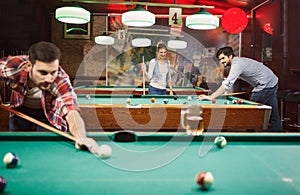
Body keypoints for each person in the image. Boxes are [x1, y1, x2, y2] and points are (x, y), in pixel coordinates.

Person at [0, 41, 101, 153]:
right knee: (17, 149)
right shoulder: (13, 67)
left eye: (53, 72)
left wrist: (81, 136)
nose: (49, 79)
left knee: (45, 150)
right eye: (43, 72)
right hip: (20, 111)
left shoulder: (60, 79)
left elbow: (71, 111)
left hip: (47, 115)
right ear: (29, 66)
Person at [199, 46, 282, 132]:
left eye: (223, 58)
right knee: (274, 115)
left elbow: (227, 84)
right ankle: (278, 137)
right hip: (273, 82)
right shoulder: (239, 62)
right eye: (220, 59)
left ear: (230, 56)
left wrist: (211, 97)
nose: (221, 61)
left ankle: (249, 138)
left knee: (250, 115)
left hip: (265, 85)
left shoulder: (237, 64)